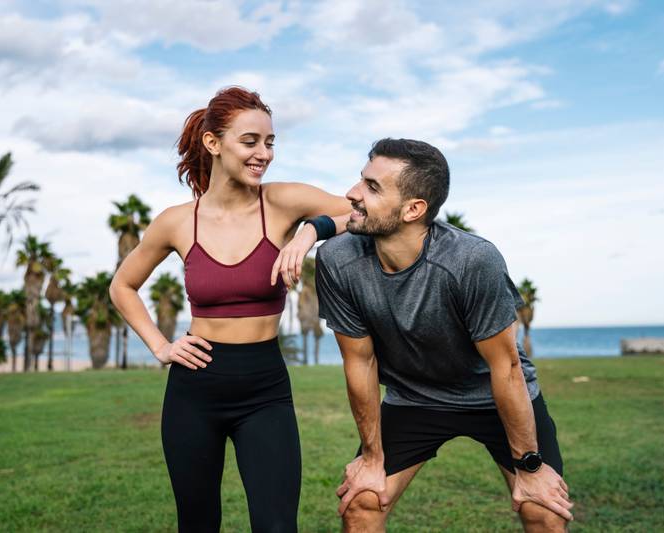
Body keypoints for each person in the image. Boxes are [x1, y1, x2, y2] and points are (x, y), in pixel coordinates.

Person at [109, 86, 350, 532]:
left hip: (265, 388)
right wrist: (160, 346)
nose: (264, 153)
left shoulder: (282, 203)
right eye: (250, 141)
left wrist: (309, 232)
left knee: (277, 526)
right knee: (197, 525)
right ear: (213, 143)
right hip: (194, 389)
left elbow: (363, 212)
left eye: (270, 142)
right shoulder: (177, 221)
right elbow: (123, 285)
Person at [315, 138, 573, 532]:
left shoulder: (471, 261)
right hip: (414, 398)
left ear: (414, 209)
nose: (352, 194)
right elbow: (360, 360)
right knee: (362, 503)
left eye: (372, 186)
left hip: (491, 395)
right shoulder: (337, 260)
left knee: (543, 511)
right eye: (360, 180)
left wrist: (530, 465)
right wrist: (371, 457)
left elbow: (505, 368)